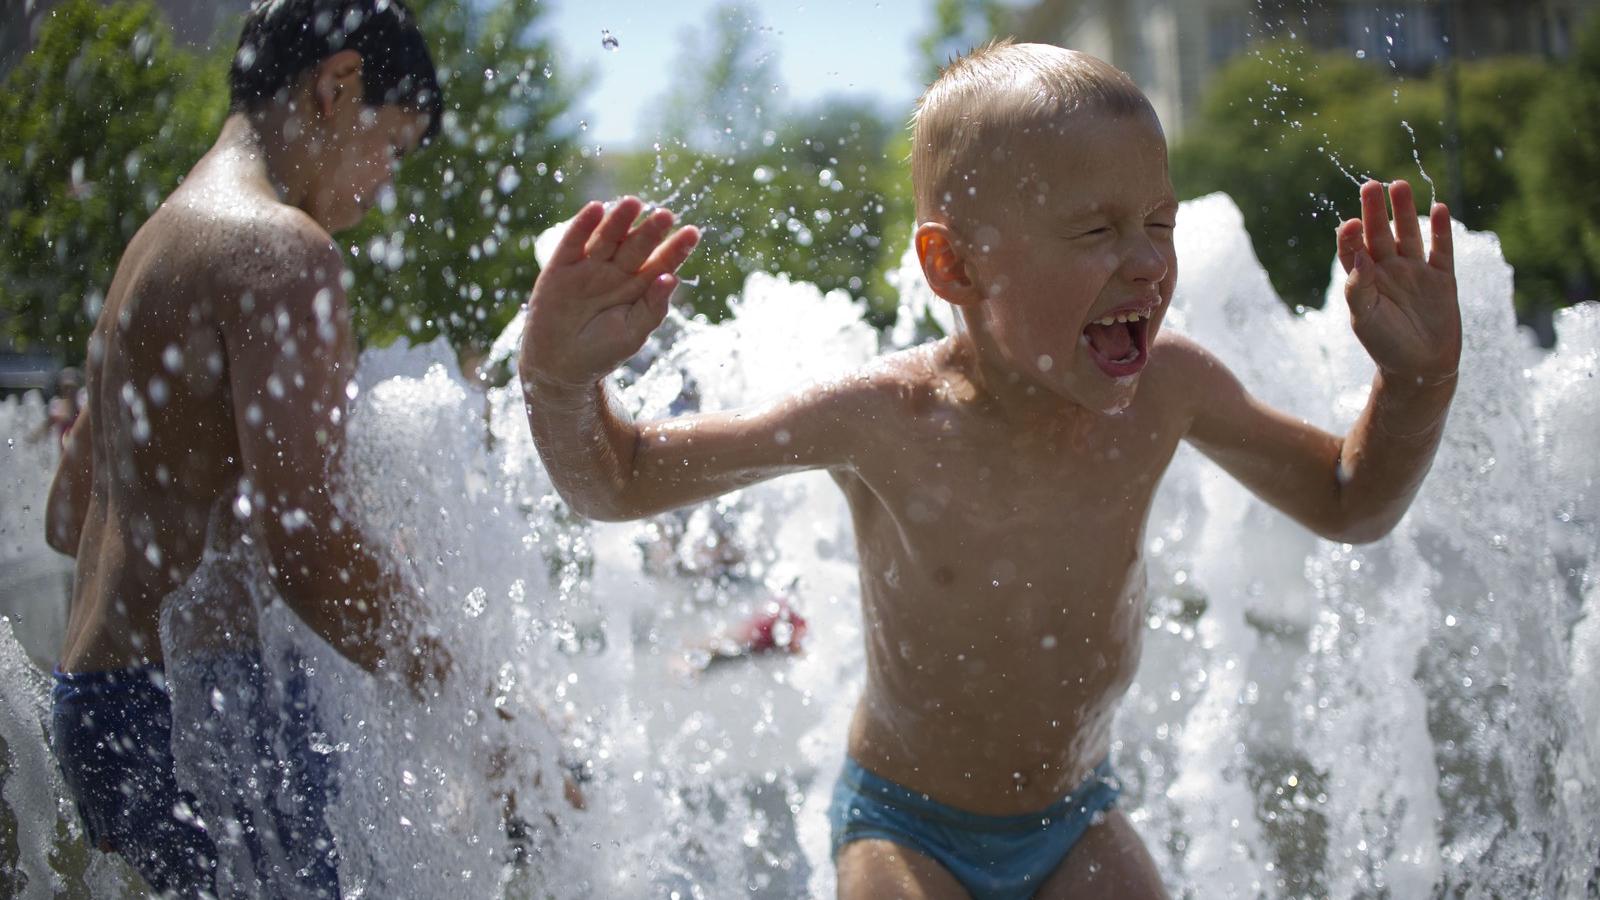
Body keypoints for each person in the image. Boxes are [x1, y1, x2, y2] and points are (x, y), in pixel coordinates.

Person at [520, 40, 1461, 899]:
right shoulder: (884, 418)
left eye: (1159, 223)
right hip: (906, 830)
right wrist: (559, 381)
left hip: (1075, 820)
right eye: (1095, 232)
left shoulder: (1170, 390)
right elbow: (623, 480)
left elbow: (1350, 503)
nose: (1146, 262)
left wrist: (1418, 381)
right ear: (955, 266)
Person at [42, 1, 442, 895]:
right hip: (206, 704)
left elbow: (68, 517)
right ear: (338, 86)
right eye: (392, 145)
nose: (383, 185)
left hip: (98, 706)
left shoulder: (154, 247)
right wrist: (466, 697)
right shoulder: (282, 250)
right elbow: (307, 547)